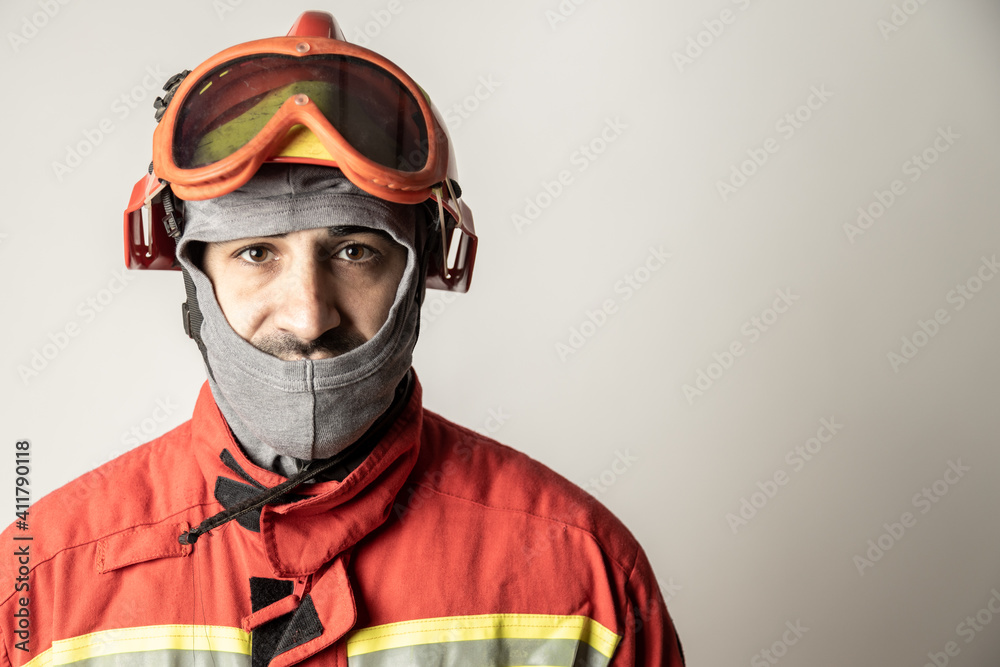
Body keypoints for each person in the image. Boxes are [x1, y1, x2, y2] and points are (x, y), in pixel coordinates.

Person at [0, 12, 684, 667]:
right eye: (256, 252)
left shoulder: (586, 578)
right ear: (191, 276)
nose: (308, 315)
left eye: (355, 251)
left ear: (422, 274)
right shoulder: (40, 584)